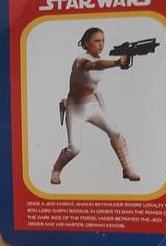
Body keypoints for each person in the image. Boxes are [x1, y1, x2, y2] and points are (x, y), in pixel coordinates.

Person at [50, 27, 141, 185]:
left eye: (103, 40)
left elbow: (94, 76)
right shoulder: (80, 60)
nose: (101, 44)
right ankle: (56, 170)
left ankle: (128, 169)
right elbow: (95, 65)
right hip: (75, 108)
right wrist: (117, 62)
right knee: (74, 148)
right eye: (97, 41)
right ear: (87, 43)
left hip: (92, 105)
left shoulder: (99, 60)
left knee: (116, 133)